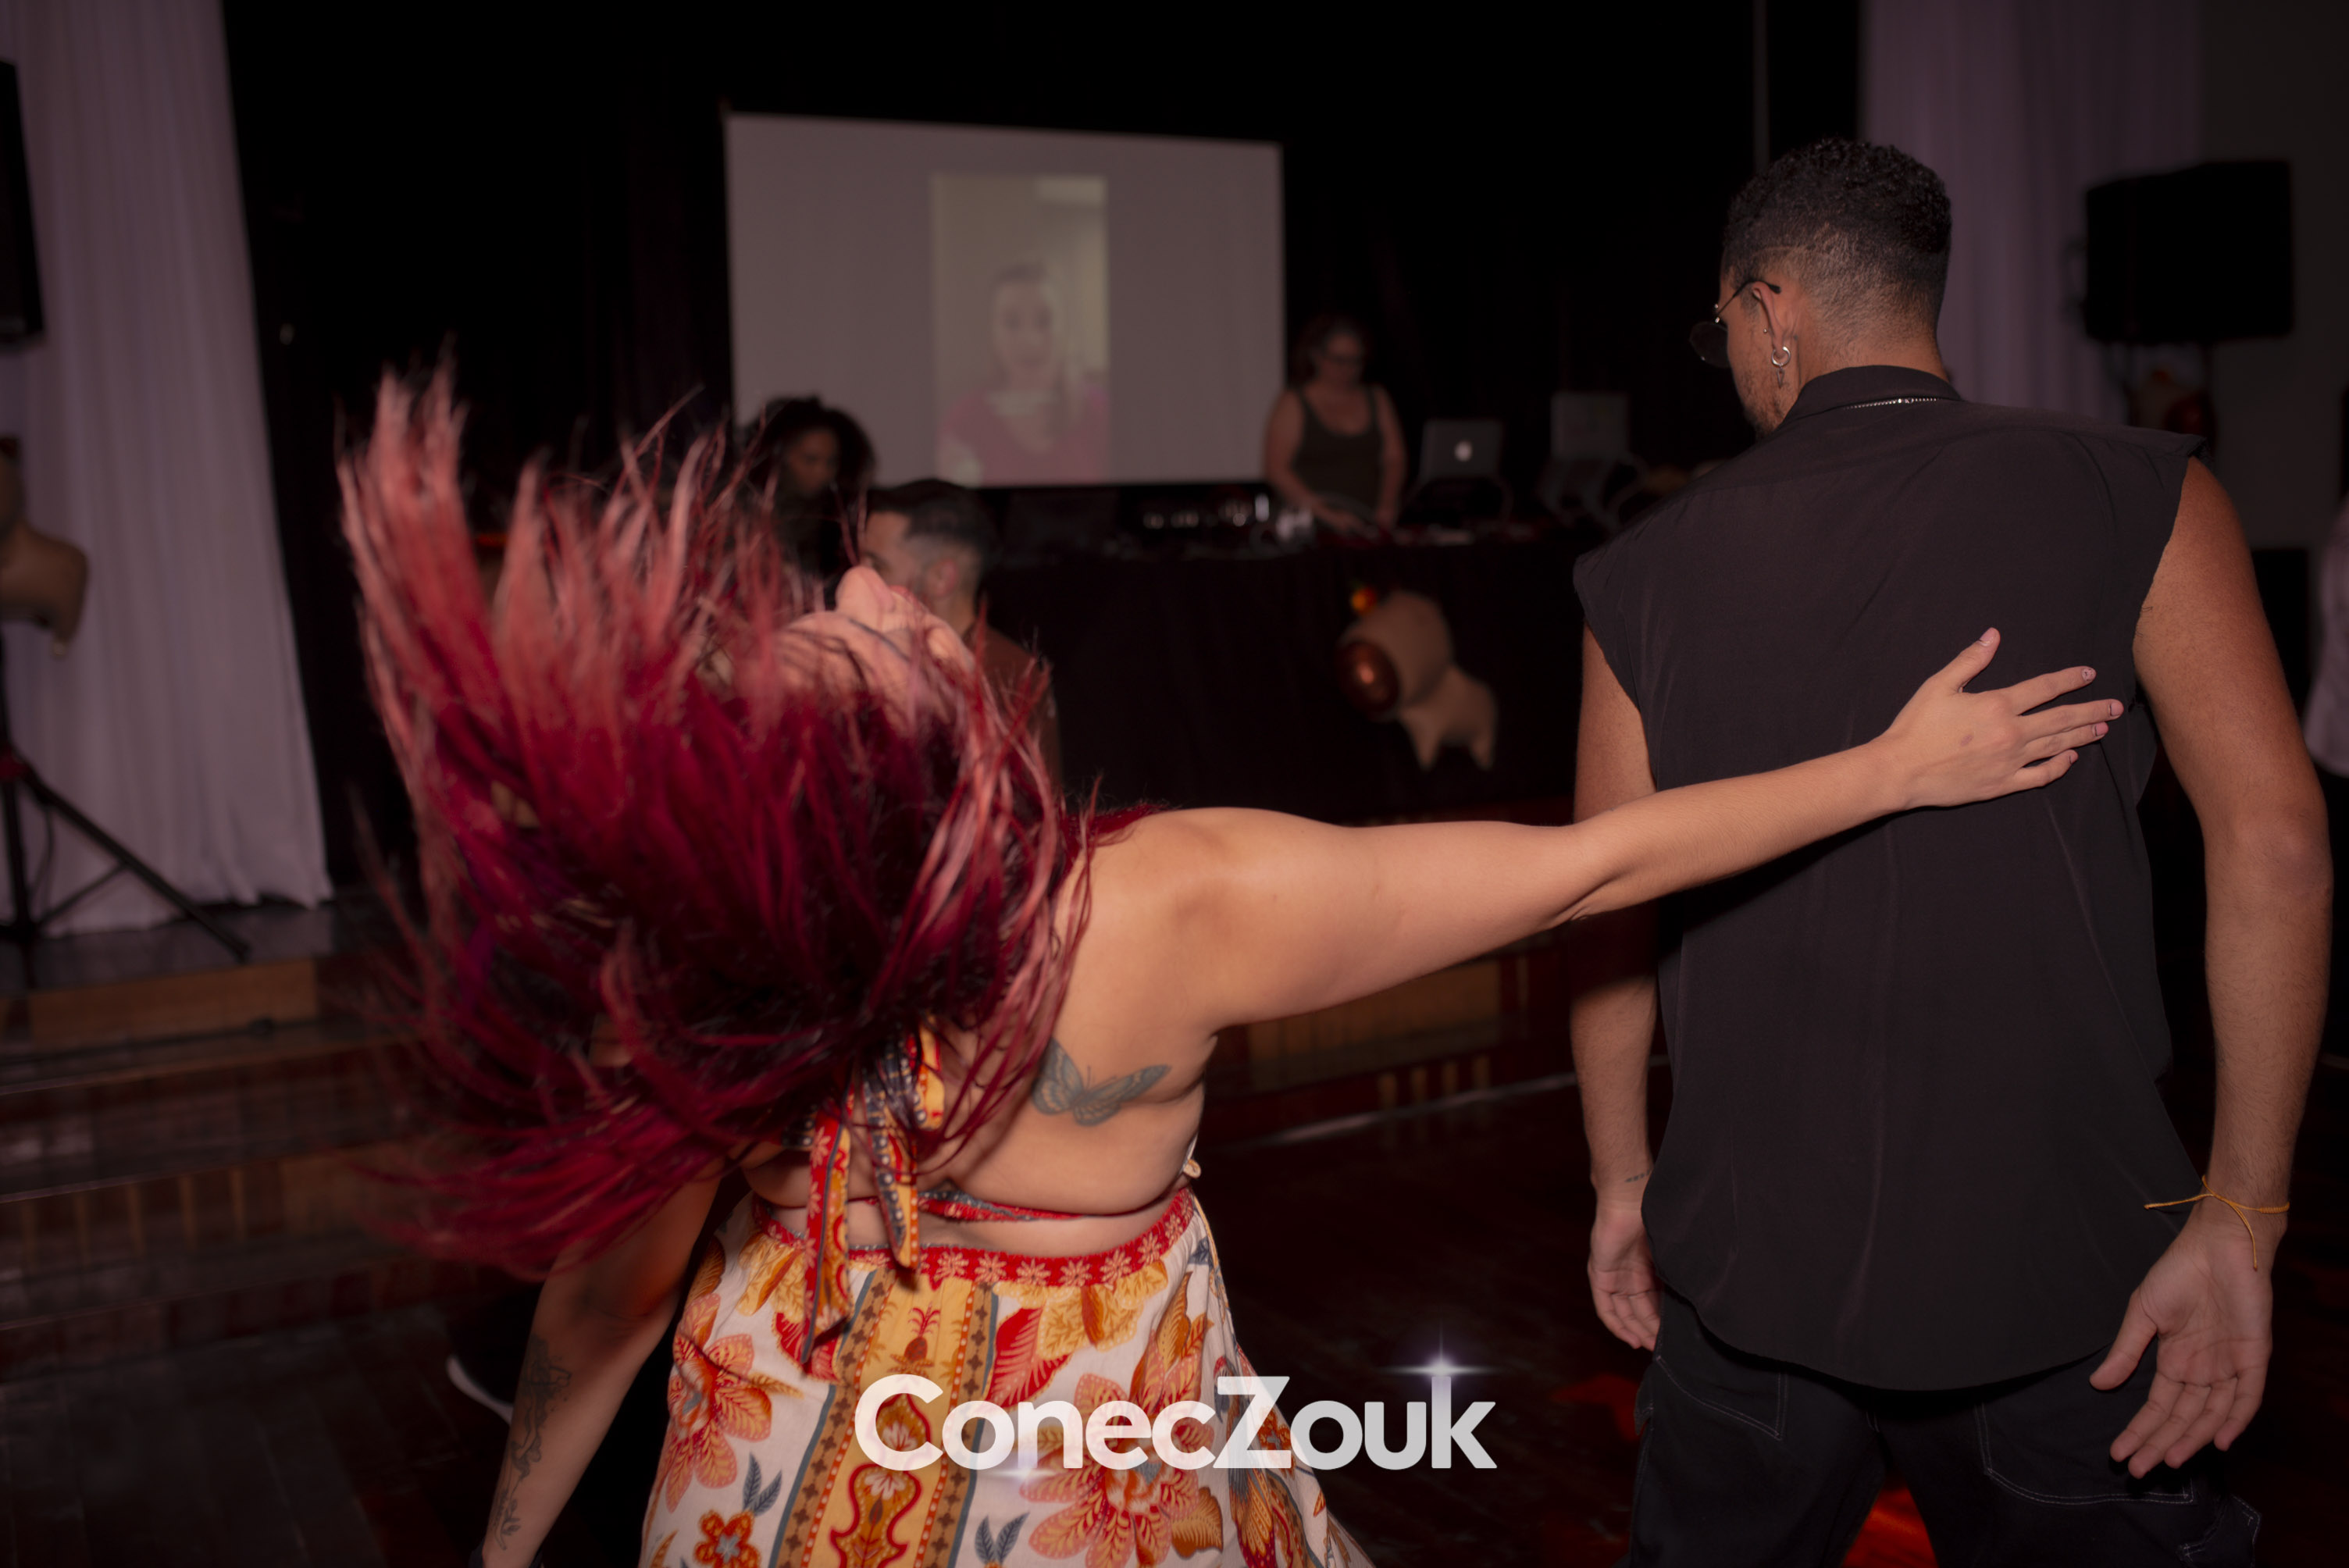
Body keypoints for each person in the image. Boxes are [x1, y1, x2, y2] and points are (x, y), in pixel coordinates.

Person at [341, 372, 2115, 1568]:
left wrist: (504, 1554)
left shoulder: (705, 979)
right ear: (922, 769)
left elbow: (596, 1312)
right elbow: (1588, 863)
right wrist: (1890, 767)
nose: (875, 598)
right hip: (1076, 1481)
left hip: (783, 1458)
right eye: (864, 635)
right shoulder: (1152, 908)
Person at [1570, 137, 2327, 1566]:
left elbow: (1609, 901)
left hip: (1749, 1271)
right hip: (2066, 1276)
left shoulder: (1642, 572)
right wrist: (2244, 1213)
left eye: (1722, 330)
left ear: (1771, 310)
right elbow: (2277, 843)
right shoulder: (2140, 489)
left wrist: (1622, 1182)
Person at [862, 477, 1064, 793]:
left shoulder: (997, 675)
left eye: (877, 565)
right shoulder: (890, 655)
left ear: (942, 578)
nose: (858, 578)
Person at [937, 261, 1110, 486]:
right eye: (1011, 323)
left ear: (1066, 329)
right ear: (992, 333)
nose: (1029, 340)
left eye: (1044, 321)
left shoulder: (1101, 411)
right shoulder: (964, 419)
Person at [1261, 315, 1406, 536]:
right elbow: (1276, 470)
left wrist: (1387, 504)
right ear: (1316, 356)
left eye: (1355, 361)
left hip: (1368, 524)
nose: (1347, 369)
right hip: (1312, 528)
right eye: (1339, 360)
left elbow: (1394, 458)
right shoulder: (1294, 402)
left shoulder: (1377, 397)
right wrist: (1326, 514)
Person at [741, 395, 875, 576]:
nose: (821, 472)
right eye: (810, 460)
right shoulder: (743, 510)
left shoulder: (843, 517)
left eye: (831, 462)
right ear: (778, 456)